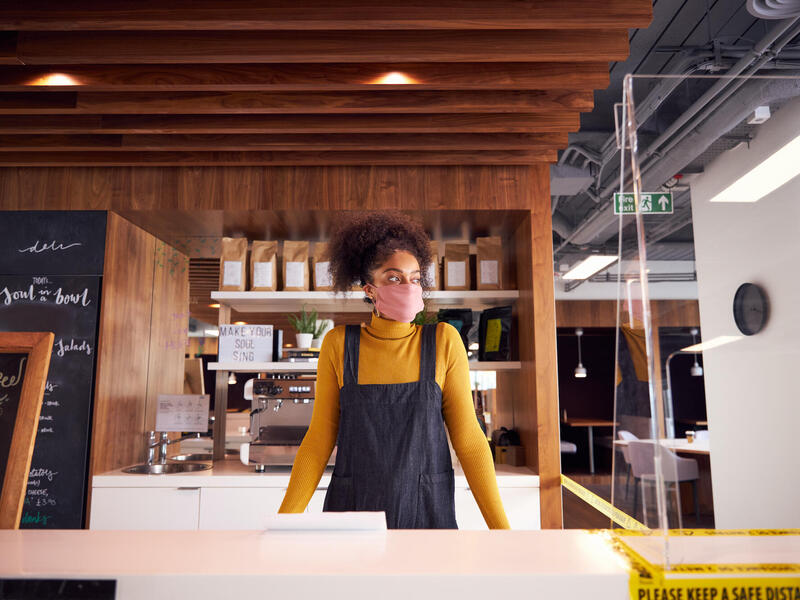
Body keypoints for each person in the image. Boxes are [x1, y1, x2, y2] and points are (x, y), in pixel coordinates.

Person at [278, 212, 510, 529]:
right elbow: (319, 440)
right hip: (353, 513)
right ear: (369, 288)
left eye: (415, 279)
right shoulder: (339, 344)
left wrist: (502, 530)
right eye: (394, 278)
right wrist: (282, 523)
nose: (408, 287)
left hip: (426, 509)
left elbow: (469, 441)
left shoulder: (443, 341)